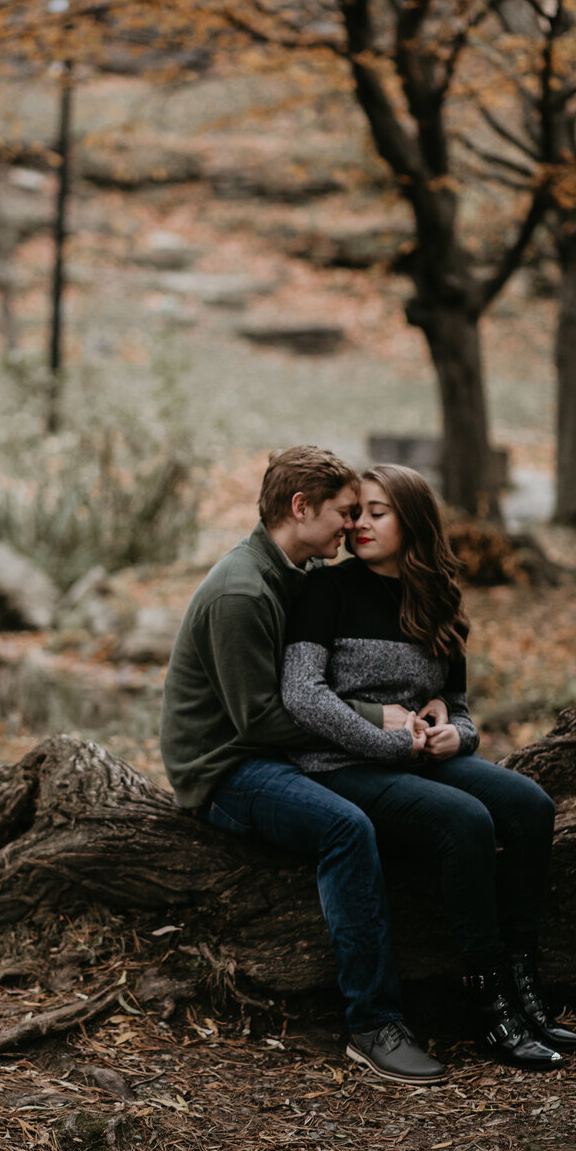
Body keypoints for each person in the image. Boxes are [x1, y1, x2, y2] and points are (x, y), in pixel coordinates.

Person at [281, 463, 576, 1072]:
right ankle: (489, 1000)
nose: (360, 524)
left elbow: (462, 709)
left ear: (413, 521)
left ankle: (524, 984)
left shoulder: (438, 599)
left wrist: (457, 736)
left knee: (531, 807)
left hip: (418, 759)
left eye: (377, 512)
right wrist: (394, 743)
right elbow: (302, 693)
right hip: (339, 767)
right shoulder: (326, 590)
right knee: (465, 820)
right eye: (357, 512)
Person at [160, 445, 447, 1087]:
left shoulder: (289, 571)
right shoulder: (242, 589)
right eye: (345, 513)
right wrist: (376, 722)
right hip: (226, 769)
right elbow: (257, 720)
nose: (353, 526)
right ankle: (374, 1025)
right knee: (346, 829)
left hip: (280, 752)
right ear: (301, 507)